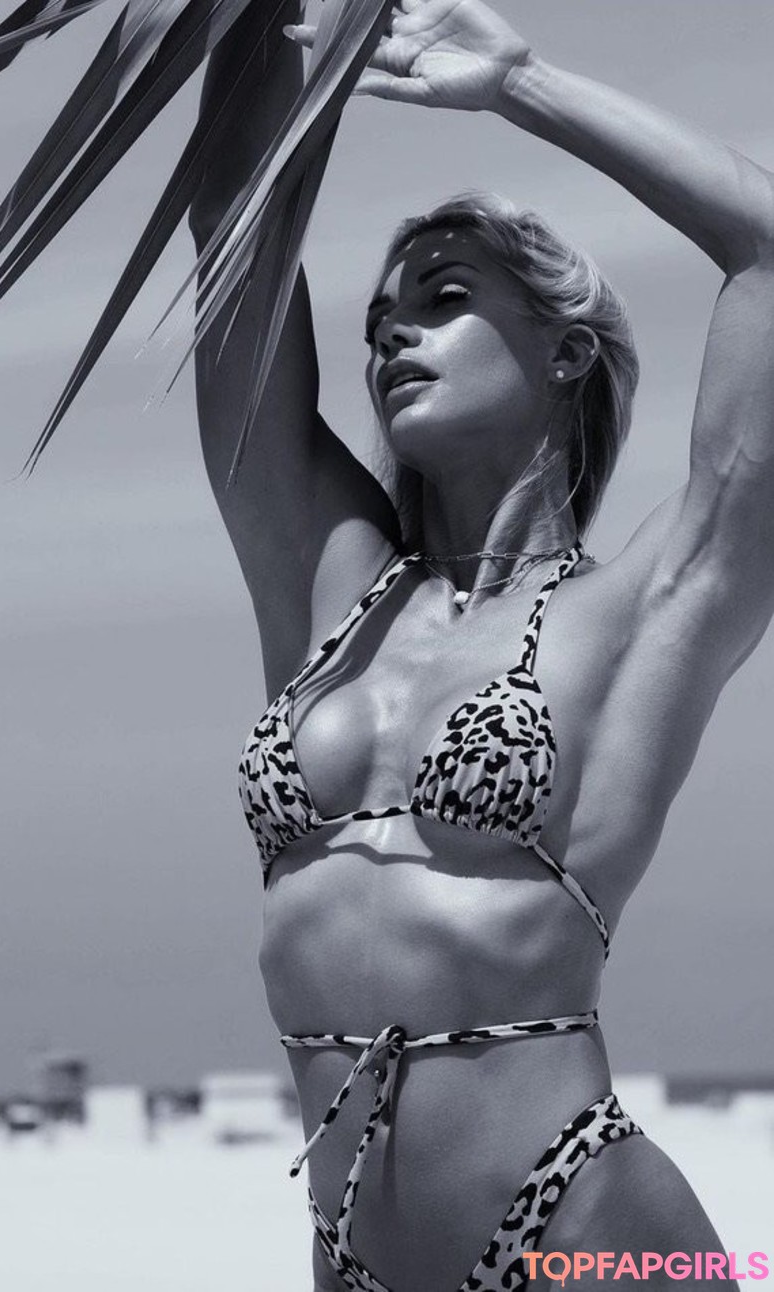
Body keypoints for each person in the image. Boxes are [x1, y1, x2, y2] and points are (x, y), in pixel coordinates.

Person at [189, 2, 774, 1289]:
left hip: (582, 1228)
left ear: (568, 352)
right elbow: (229, 217)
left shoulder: (650, 607)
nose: (393, 333)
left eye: (445, 298)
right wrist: (253, 31)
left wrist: (520, 82)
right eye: (378, 322)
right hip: (352, 1255)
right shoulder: (329, 588)